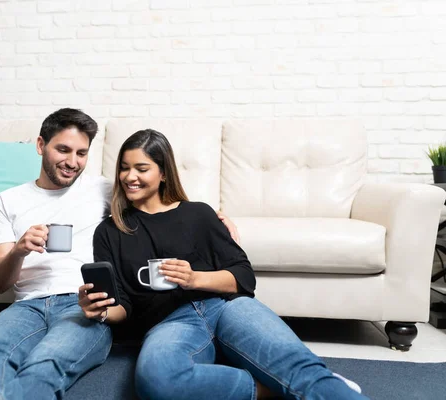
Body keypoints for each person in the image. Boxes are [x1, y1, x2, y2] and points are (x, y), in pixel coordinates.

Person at [0, 110, 239, 400]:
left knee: (48, 362)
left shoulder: (106, 188)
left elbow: (165, 206)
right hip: (27, 304)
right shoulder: (8, 201)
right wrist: (18, 250)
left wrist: (217, 221)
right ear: (41, 145)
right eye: (64, 150)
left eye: (82, 153)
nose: (73, 162)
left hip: (84, 304)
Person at [78, 129, 368, 400]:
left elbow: (243, 276)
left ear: (164, 173)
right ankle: (273, 387)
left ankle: (314, 383)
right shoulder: (110, 231)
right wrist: (101, 311)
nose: (130, 177)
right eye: (124, 168)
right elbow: (123, 305)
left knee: (300, 368)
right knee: (157, 382)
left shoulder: (199, 214)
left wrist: (195, 279)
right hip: (169, 324)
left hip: (227, 306)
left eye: (142, 169)